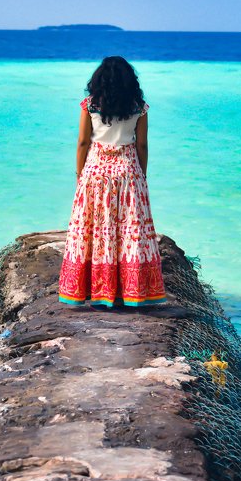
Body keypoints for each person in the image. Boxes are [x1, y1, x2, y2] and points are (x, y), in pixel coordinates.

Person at [58, 56, 166, 307]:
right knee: (128, 232)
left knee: (96, 231)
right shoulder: (139, 107)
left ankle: (96, 292)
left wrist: (79, 174)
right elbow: (142, 144)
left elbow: (83, 142)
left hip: (96, 171)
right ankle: (129, 293)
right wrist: (143, 175)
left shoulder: (90, 105)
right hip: (128, 171)